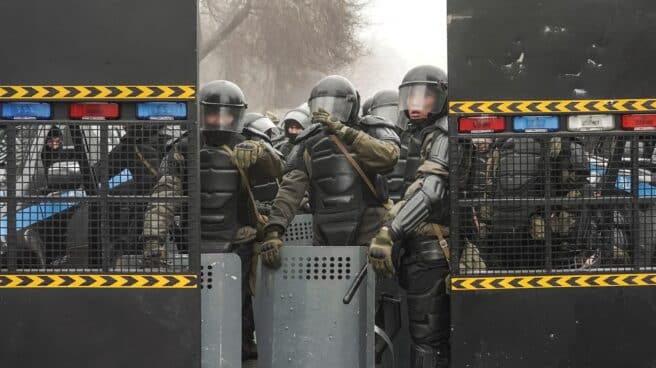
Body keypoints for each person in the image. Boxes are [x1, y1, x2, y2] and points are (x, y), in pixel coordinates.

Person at [141, 80, 284, 361]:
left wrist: (262, 152)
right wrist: (153, 239)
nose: (219, 120)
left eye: (226, 114)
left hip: (239, 241)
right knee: (195, 305)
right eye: (213, 114)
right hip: (194, 243)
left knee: (240, 303)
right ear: (202, 113)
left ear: (237, 115)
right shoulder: (182, 149)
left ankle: (240, 348)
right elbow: (164, 197)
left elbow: (280, 168)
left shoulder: (250, 145)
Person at [257, 75, 400, 268]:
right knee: (324, 293)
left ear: (352, 105)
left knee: (374, 293)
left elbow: (389, 156)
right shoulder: (308, 141)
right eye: (321, 106)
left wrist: (346, 132)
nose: (329, 112)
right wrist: (274, 231)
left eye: (335, 105)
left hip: (370, 230)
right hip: (324, 233)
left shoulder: (371, 128)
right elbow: (291, 189)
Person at [367, 65, 451, 368]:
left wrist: (390, 231)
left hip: (433, 251)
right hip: (415, 250)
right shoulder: (416, 135)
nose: (415, 105)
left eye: (425, 98)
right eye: (411, 97)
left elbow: (431, 192)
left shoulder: (443, 134)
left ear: (440, 98)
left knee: (428, 341)